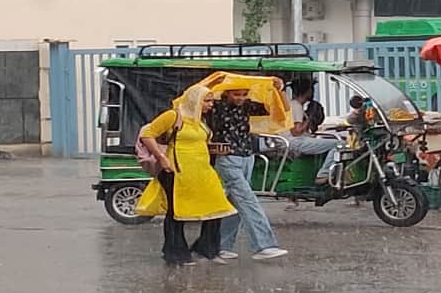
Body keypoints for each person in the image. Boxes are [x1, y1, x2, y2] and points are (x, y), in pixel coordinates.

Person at [136, 84, 238, 266]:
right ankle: (175, 253)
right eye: (206, 101)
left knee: (216, 207)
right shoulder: (174, 116)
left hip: (202, 172)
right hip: (176, 171)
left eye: (211, 102)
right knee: (176, 213)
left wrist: (216, 148)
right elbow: (147, 134)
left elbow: (198, 144)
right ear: (194, 100)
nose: (210, 105)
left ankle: (207, 248)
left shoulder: (200, 122)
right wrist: (161, 158)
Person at [208, 77, 289, 261]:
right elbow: (200, 100)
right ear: (227, 93)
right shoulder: (216, 106)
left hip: (247, 157)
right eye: (236, 94)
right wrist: (214, 84)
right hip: (228, 158)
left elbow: (279, 109)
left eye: (244, 94)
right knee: (248, 200)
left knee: (235, 203)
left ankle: (220, 245)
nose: (240, 98)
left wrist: (279, 90)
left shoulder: (247, 106)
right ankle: (263, 245)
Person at [282, 79, 340, 185]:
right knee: (338, 144)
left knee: (328, 141)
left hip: (292, 140)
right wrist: (309, 118)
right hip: (295, 141)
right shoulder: (297, 106)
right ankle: (323, 174)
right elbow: (296, 131)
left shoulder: (291, 104)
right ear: (309, 91)